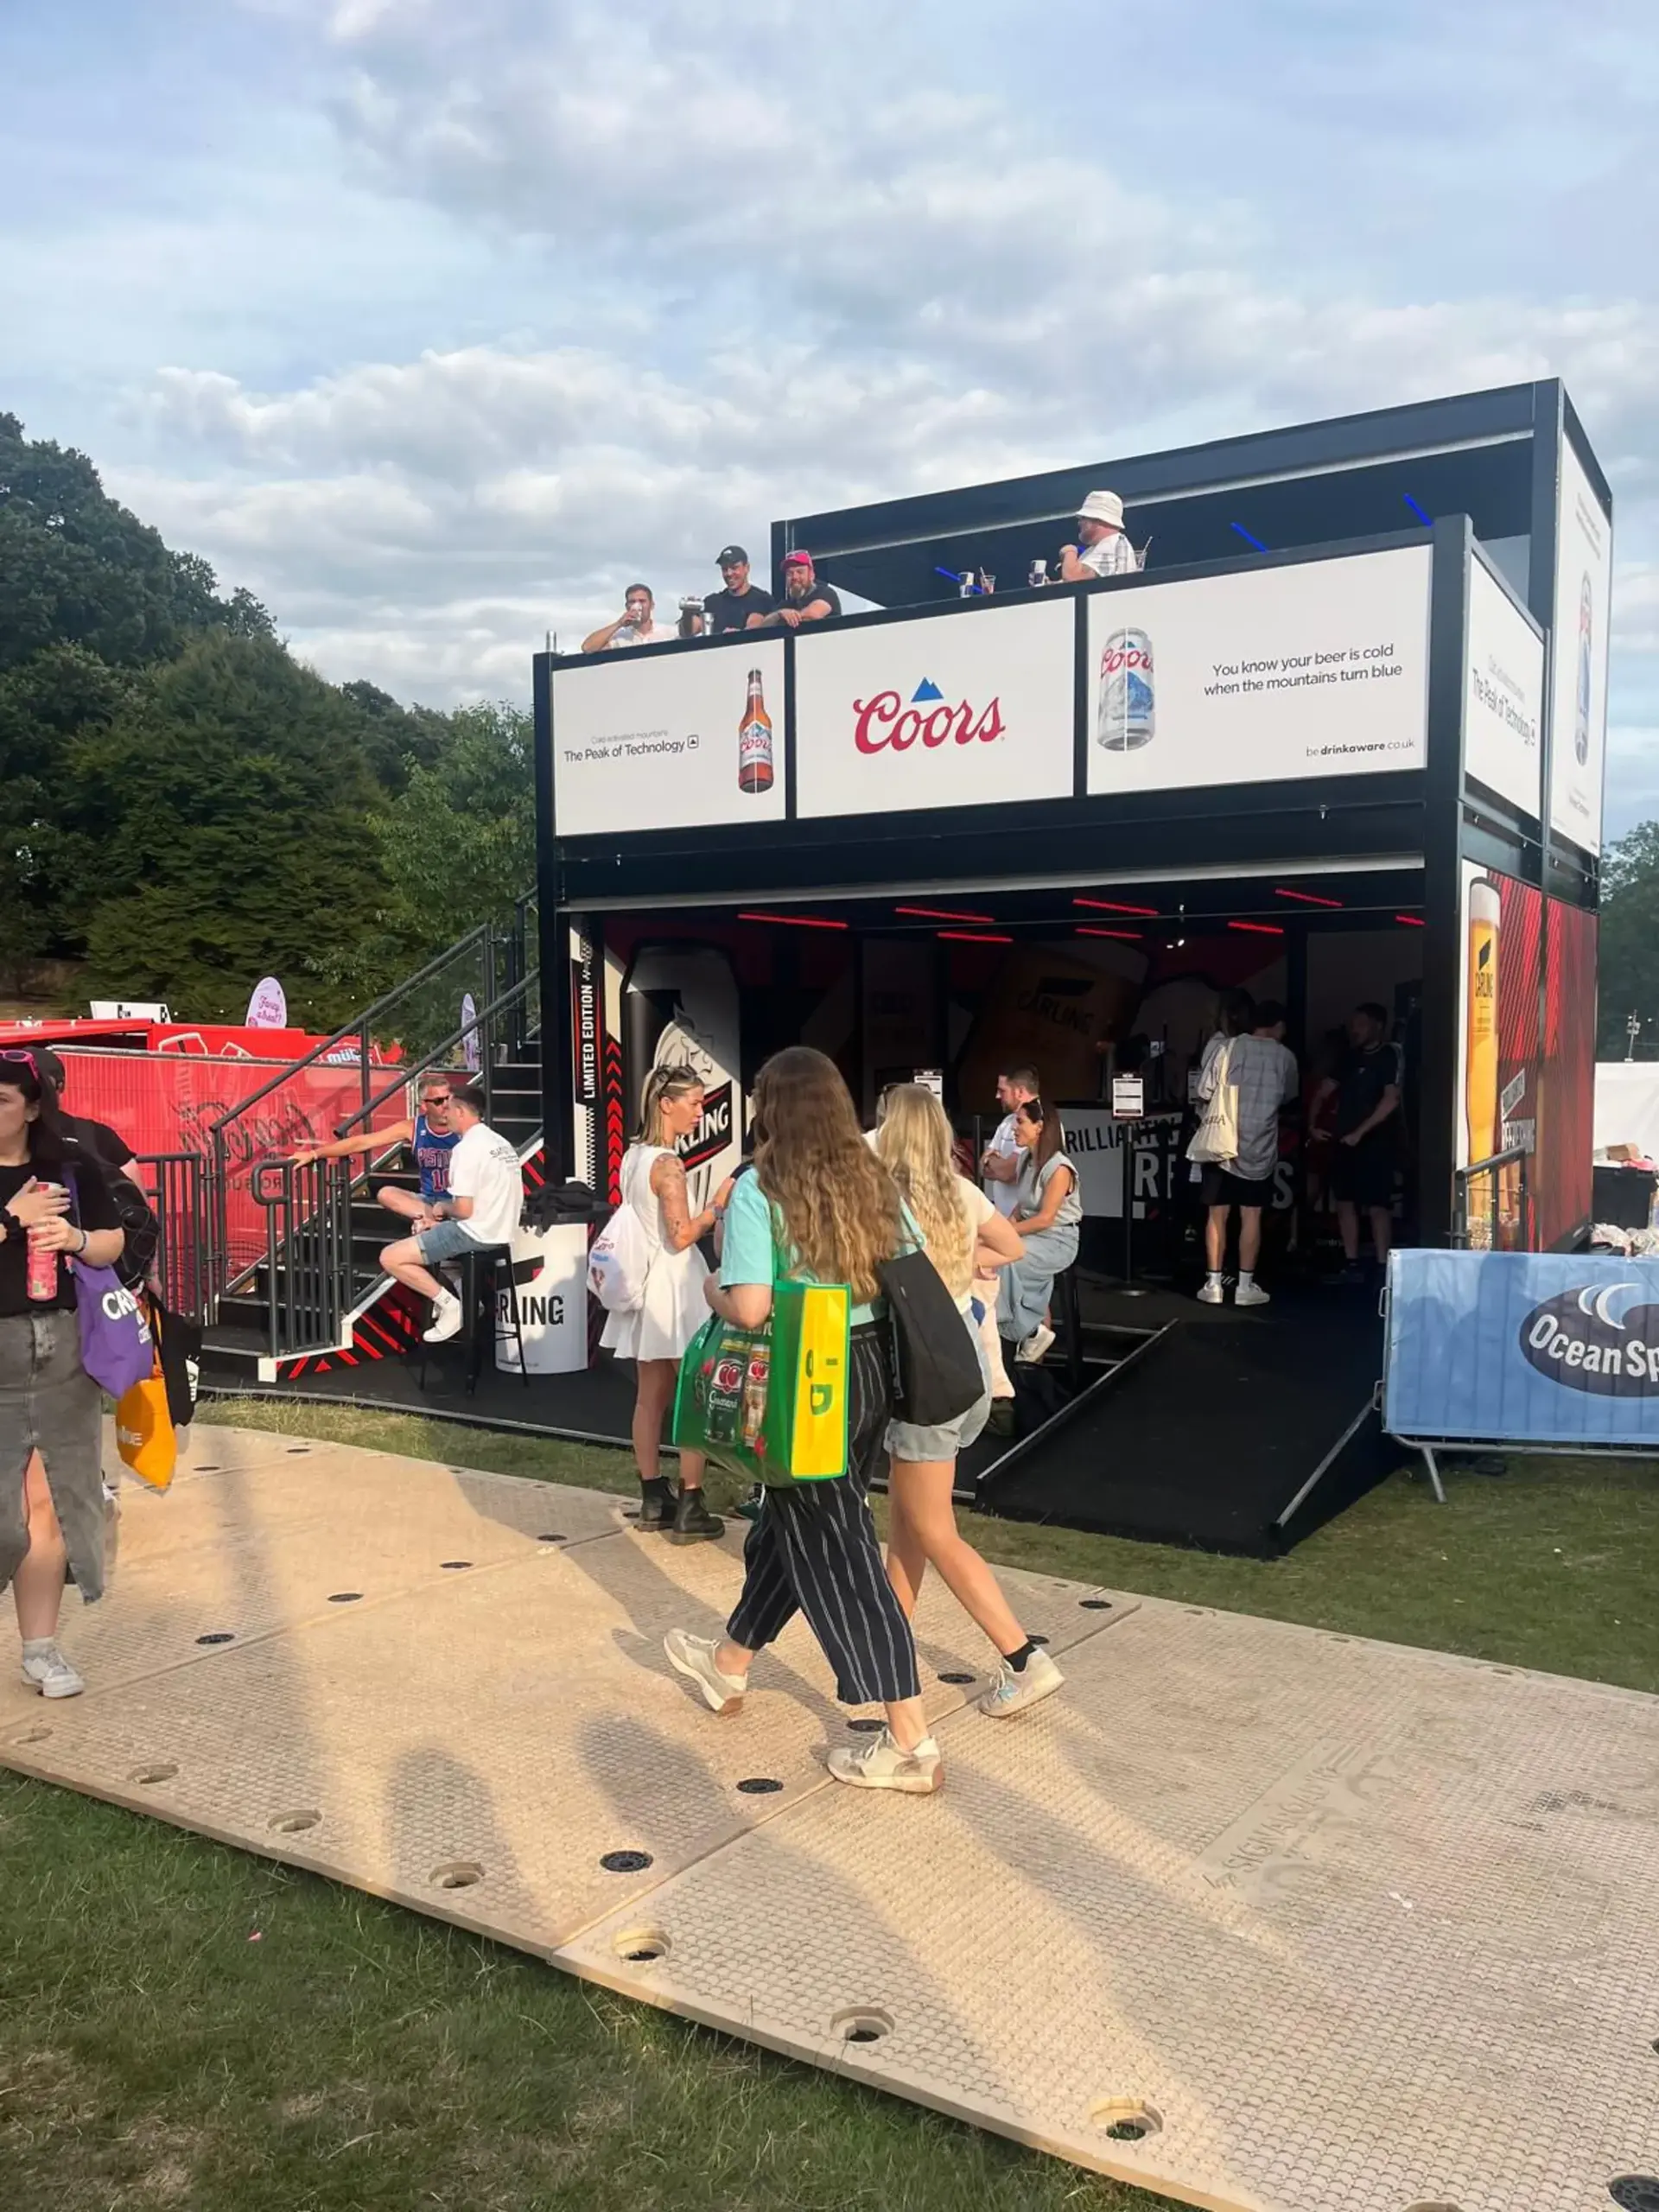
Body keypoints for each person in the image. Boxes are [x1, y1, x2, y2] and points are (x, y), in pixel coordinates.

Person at [664, 1046, 942, 1795]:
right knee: (800, 1521)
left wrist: (714, 1290)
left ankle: (909, 1739)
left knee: (840, 1545)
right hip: (869, 1368)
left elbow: (751, 1306)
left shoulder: (762, 1186)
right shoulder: (872, 1177)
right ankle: (730, 1662)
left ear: (773, 1108)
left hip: (802, 1377)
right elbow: (909, 1261)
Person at [875, 1086, 1064, 1718]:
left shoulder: (886, 1199)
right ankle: (890, 1652)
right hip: (966, 1362)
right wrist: (959, 1262)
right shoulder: (961, 1191)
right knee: (909, 1523)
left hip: (922, 1376)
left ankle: (1023, 1657)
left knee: (933, 1528)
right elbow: (1012, 1248)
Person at [0, 1048, 127, 1700]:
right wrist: (11, 1219)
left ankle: (41, 1650)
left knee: (49, 1502)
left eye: (1, 1101)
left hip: (60, 1345)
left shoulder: (69, 1168)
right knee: (6, 1520)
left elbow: (112, 1240)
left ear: (32, 1109)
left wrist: (75, 1240)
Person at [603, 1065, 731, 1542]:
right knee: (694, 1394)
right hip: (676, 1285)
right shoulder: (668, 1164)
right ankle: (691, 1500)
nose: (701, 1111)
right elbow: (680, 1235)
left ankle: (653, 1495)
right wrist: (717, 1207)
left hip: (648, 1284)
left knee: (649, 1395)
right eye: (694, 1102)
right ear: (666, 1104)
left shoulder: (633, 1157)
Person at [378, 1083, 523, 1343]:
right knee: (434, 1237)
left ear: (461, 1112)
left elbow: (464, 1211)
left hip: (476, 1233)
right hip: (502, 1231)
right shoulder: (500, 1142)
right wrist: (436, 1224)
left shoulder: (465, 1149)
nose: (445, 1114)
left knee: (390, 1257)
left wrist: (441, 1209)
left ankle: (451, 1306)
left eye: (449, 1109)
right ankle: (466, 1301)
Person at [1192, 999, 1299, 1307]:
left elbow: (1203, 1090)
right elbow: (1289, 1095)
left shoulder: (1228, 1048)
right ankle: (1245, 1286)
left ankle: (1213, 1284)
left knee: (1217, 1214)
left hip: (1221, 1143)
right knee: (1252, 1215)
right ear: (1278, 1026)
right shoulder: (1285, 1057)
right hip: (1261, 1147)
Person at [290, 1071, 460, 1230]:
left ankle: (437, 1224)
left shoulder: (464, 1125)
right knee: (386, 1194)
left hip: (459, 1201)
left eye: (449, 1099)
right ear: (424, 1105)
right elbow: (363, 1142)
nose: (446, 1105)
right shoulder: (413, 1127)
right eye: (439, 1101)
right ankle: (435, 1223)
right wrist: (314, 1154)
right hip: (428, 1201)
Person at [1318, 1003, 1402, 1281]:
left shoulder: (1390, 1055)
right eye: (1353, 1024)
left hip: (1377, 1142)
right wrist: (1313, 1124)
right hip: (1345, 1141)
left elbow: (1391, 1100)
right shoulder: (1349, 1058)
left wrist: (1361, 1132)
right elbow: (1324, 1090)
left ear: (1378, 1026)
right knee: (1345, 1201)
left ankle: (1382, 1264)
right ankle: (1351, 1260)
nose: (1355, 1030)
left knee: (1378, 1204)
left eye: (1361, 1024)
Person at [997, 1097, 1081, 1364]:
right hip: (1031, 1234)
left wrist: (1009, 1233)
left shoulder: (1059, 1168)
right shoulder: (1025, 1159)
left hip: (1057, 1240)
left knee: (1006, 1260)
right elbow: (1021, 1207)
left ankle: (1028, 1332)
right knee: (988, 1254)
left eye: (1020, 1122)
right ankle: (1026, 1335)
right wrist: (1000, 1229)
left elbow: (1045, 1219)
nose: (1014, 1128)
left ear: (1040, 1127)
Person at [977, 1065, 1039, 1424]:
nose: (997, 1095)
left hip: (1021, 1225)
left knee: (1028, 1288)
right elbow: (986, 1164)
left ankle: (1031, 1360)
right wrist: (994, 1164)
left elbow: (1009, 1171)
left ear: (1019, 1091)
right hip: (1000, 1220)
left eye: (1002, 1090)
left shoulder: (1037, 1121)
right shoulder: (1006, 1123)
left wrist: (997, 1165)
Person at [747, 550, 841, 628]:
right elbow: (763, 627)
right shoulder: (787, 604)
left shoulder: (826, 593)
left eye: (800, 572)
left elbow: (812, 615)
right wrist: (779, 614)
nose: (794, 577)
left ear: (811, 575)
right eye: (790, 573)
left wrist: (786, 618)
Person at [1058, 490, 1136, 582]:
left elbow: (1072, 578)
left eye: (1083, 518)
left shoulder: (1111, 544)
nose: (1079, 523)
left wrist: (1069, 551)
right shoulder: (1107, 544)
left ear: (1099, 520)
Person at [704, 545, 775, 633]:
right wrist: (689, 610)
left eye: (734, 568)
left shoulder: (762, 600)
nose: (729, 573)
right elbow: (692, 627)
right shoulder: (712, 602)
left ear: (747, 568)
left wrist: (737, 637)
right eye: (725, 569)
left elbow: (755, 624)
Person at [582, 583, 672, 652]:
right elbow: (587, 648)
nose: (637, 606)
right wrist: (618, 624)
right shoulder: (619, 637)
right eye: (632, 602)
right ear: (627, 606)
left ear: (651, 605)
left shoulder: (670, 633)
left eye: (642, 601)